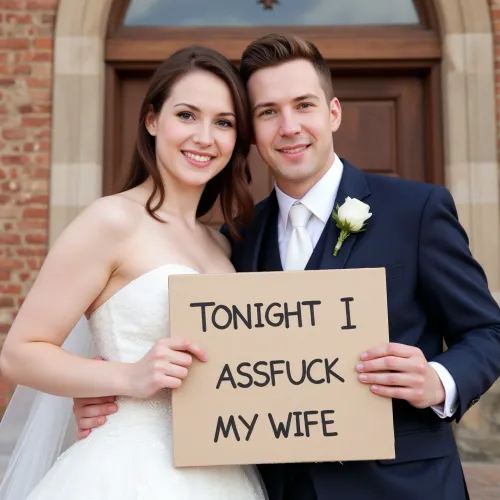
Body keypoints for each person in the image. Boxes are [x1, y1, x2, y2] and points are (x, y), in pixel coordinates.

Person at [73, 34, 500, 500]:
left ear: (332, 112)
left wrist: (438, 380)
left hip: (404, 485)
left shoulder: (416, 210)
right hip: (273, 488)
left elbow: (487, 331)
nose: (290, 126)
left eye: (304, 105)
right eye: (268, 112)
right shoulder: (236, 240)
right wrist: (113, 392)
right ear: (252, 132)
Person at [0, 46, 267, 500]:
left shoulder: (222, 243)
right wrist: (128, 378)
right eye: (187, 115)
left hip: (224, 470)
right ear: (151, 121)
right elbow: (20, 353)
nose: (205, 137)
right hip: (128, 471)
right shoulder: (111, 221)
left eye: (223, 122)